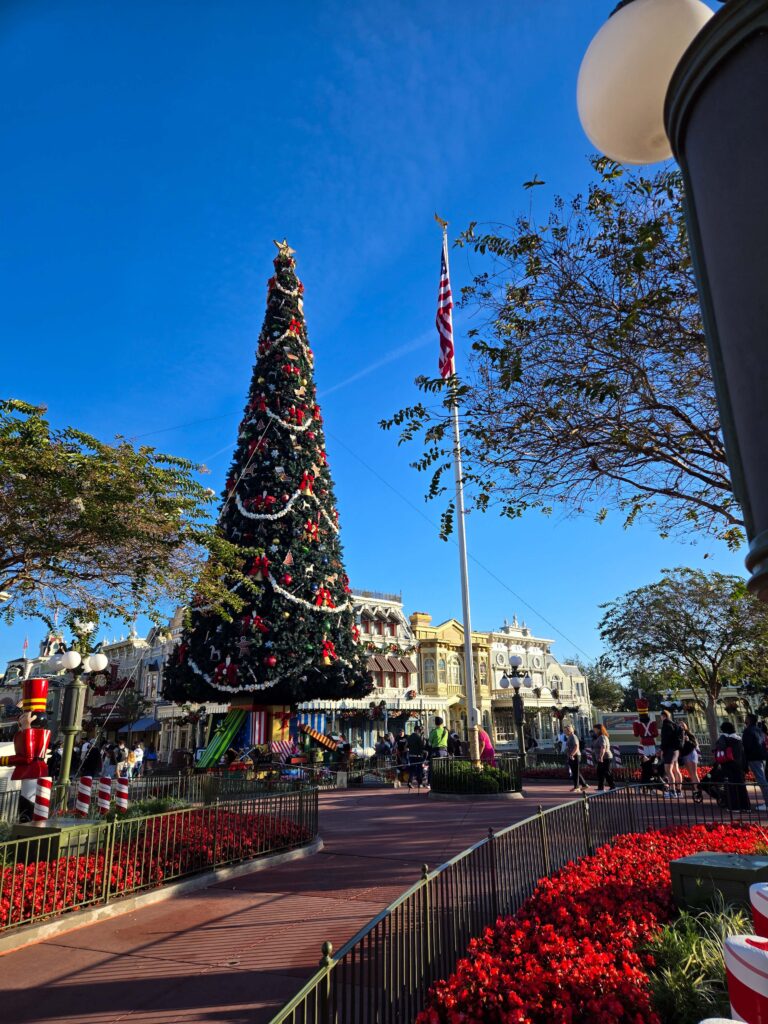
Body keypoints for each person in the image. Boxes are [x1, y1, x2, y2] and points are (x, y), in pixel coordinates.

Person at [715, 720, 750, 810]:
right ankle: (746, 806)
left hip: (728, 765)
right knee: (741, 786)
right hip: (740, 766)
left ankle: (734, 807)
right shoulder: (738, 739)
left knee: (731, 787)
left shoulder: (723, 738)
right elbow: (743, 754)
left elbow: (720, 748)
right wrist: (745, 767)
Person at [743, 713, 768, 810]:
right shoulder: (759, 730)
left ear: (749, 720)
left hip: (754, 758)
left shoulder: (748, 731)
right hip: (762, 756)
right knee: (763, 779)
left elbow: (747, 746)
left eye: (746, 718)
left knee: (762, 780)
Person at [659, 709, 684, 798]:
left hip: (669, 750)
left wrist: (662, 749)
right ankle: (679, 791)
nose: (661, 718)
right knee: (676, 771)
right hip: (676, 750)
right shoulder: (675, 725)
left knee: (668, 771)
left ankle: (672, 791)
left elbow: (665, 739)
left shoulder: (666, 725)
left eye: (661, 716)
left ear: (664, 716)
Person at [591, 723, 615, 791]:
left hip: (605, 757)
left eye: (595, 729)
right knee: (600, 772)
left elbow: (603, 747)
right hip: (601, 757)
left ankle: (612, 786)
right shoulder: (599, 737)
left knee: (606, 771)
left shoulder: (602, 737)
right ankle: (601, 787)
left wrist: (601, 757)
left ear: (599, 729)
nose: (594, 731)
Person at [679, 721, 700, 793]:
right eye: (680, 726)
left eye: (683, 725)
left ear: (685, 726)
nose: (681, 727)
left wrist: (688, 740)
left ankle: (698, 790)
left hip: (691, 754)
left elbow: (694, 745)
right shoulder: (678, 735)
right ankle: (696, 789)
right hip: (684, 755)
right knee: (690, 774)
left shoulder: (689, 734)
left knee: (694, 773)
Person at [564, 724, 587, 791]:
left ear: (569, 731)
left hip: (575, 756)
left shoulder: (573, 737)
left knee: (575, 772)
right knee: (575, 771)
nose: (565, 732)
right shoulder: (569, 737)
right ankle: (584, 784)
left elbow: (576, 746)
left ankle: (577, 787)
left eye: (566, 731)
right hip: (572, 755)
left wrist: (572, 755)